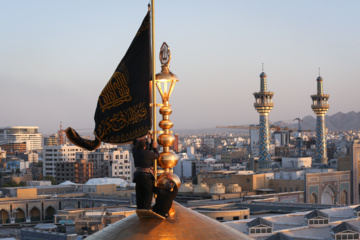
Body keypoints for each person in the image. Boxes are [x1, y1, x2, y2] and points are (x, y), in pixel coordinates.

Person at [132, 135, 159, 209]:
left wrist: (142, 140)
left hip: (138, 176)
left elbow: (137, 147)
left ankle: (140, 209)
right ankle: (146, 210)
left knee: (139, 194)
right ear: (144, 146)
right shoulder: (147, 154)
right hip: (146, 176)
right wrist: (154, 147)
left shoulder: (135, 151)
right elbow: (157, 155)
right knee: (148, 194)